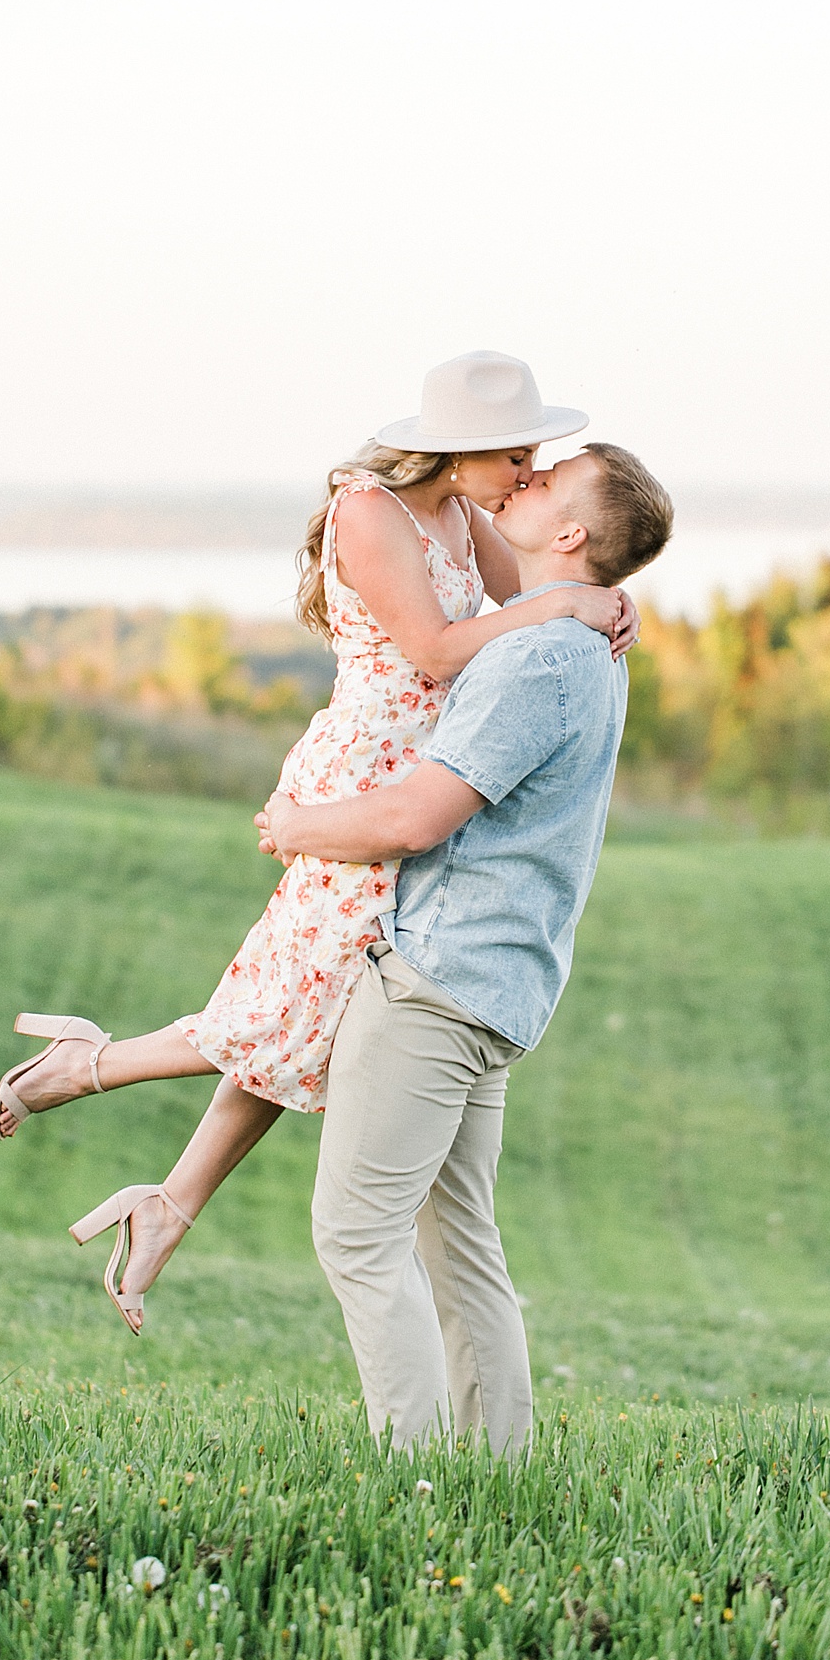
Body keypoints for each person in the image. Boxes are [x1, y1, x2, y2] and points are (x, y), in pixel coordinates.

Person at [0, 352, 639, 1330]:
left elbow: (529, 601)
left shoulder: (466, 514)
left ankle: (166, 1202)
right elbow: (431, 648)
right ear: (455, 452)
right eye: (512, 454)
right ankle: (91, 1068)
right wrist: (560, 606)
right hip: (363, 781)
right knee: (307, 1002)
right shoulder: (368, 511)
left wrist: (591, 597)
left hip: (423, 780)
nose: (523, 471)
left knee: (324, 1011)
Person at [260, 439, 674, 1450]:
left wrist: (292, 826)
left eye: (544, 484)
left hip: (436, 981)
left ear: (569, 533)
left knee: (356, 1237)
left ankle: (414, 1480)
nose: (523, 482)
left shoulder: (536, 657)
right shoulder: (578, 644)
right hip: (501, 984)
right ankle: (497, 1472)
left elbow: (413, 815)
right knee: (458, 1246)